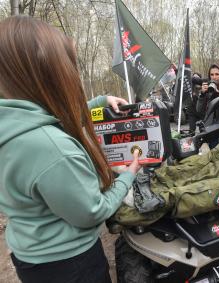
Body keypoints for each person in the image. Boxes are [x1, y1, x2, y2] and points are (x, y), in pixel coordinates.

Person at [0, 16, 142, 283]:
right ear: (48, 75)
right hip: (69, 264)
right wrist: (128, 175)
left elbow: (43, 115)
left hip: (30, 252)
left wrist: (100, 101)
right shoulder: (52, 150)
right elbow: (93, 212)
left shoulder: (12, 125)